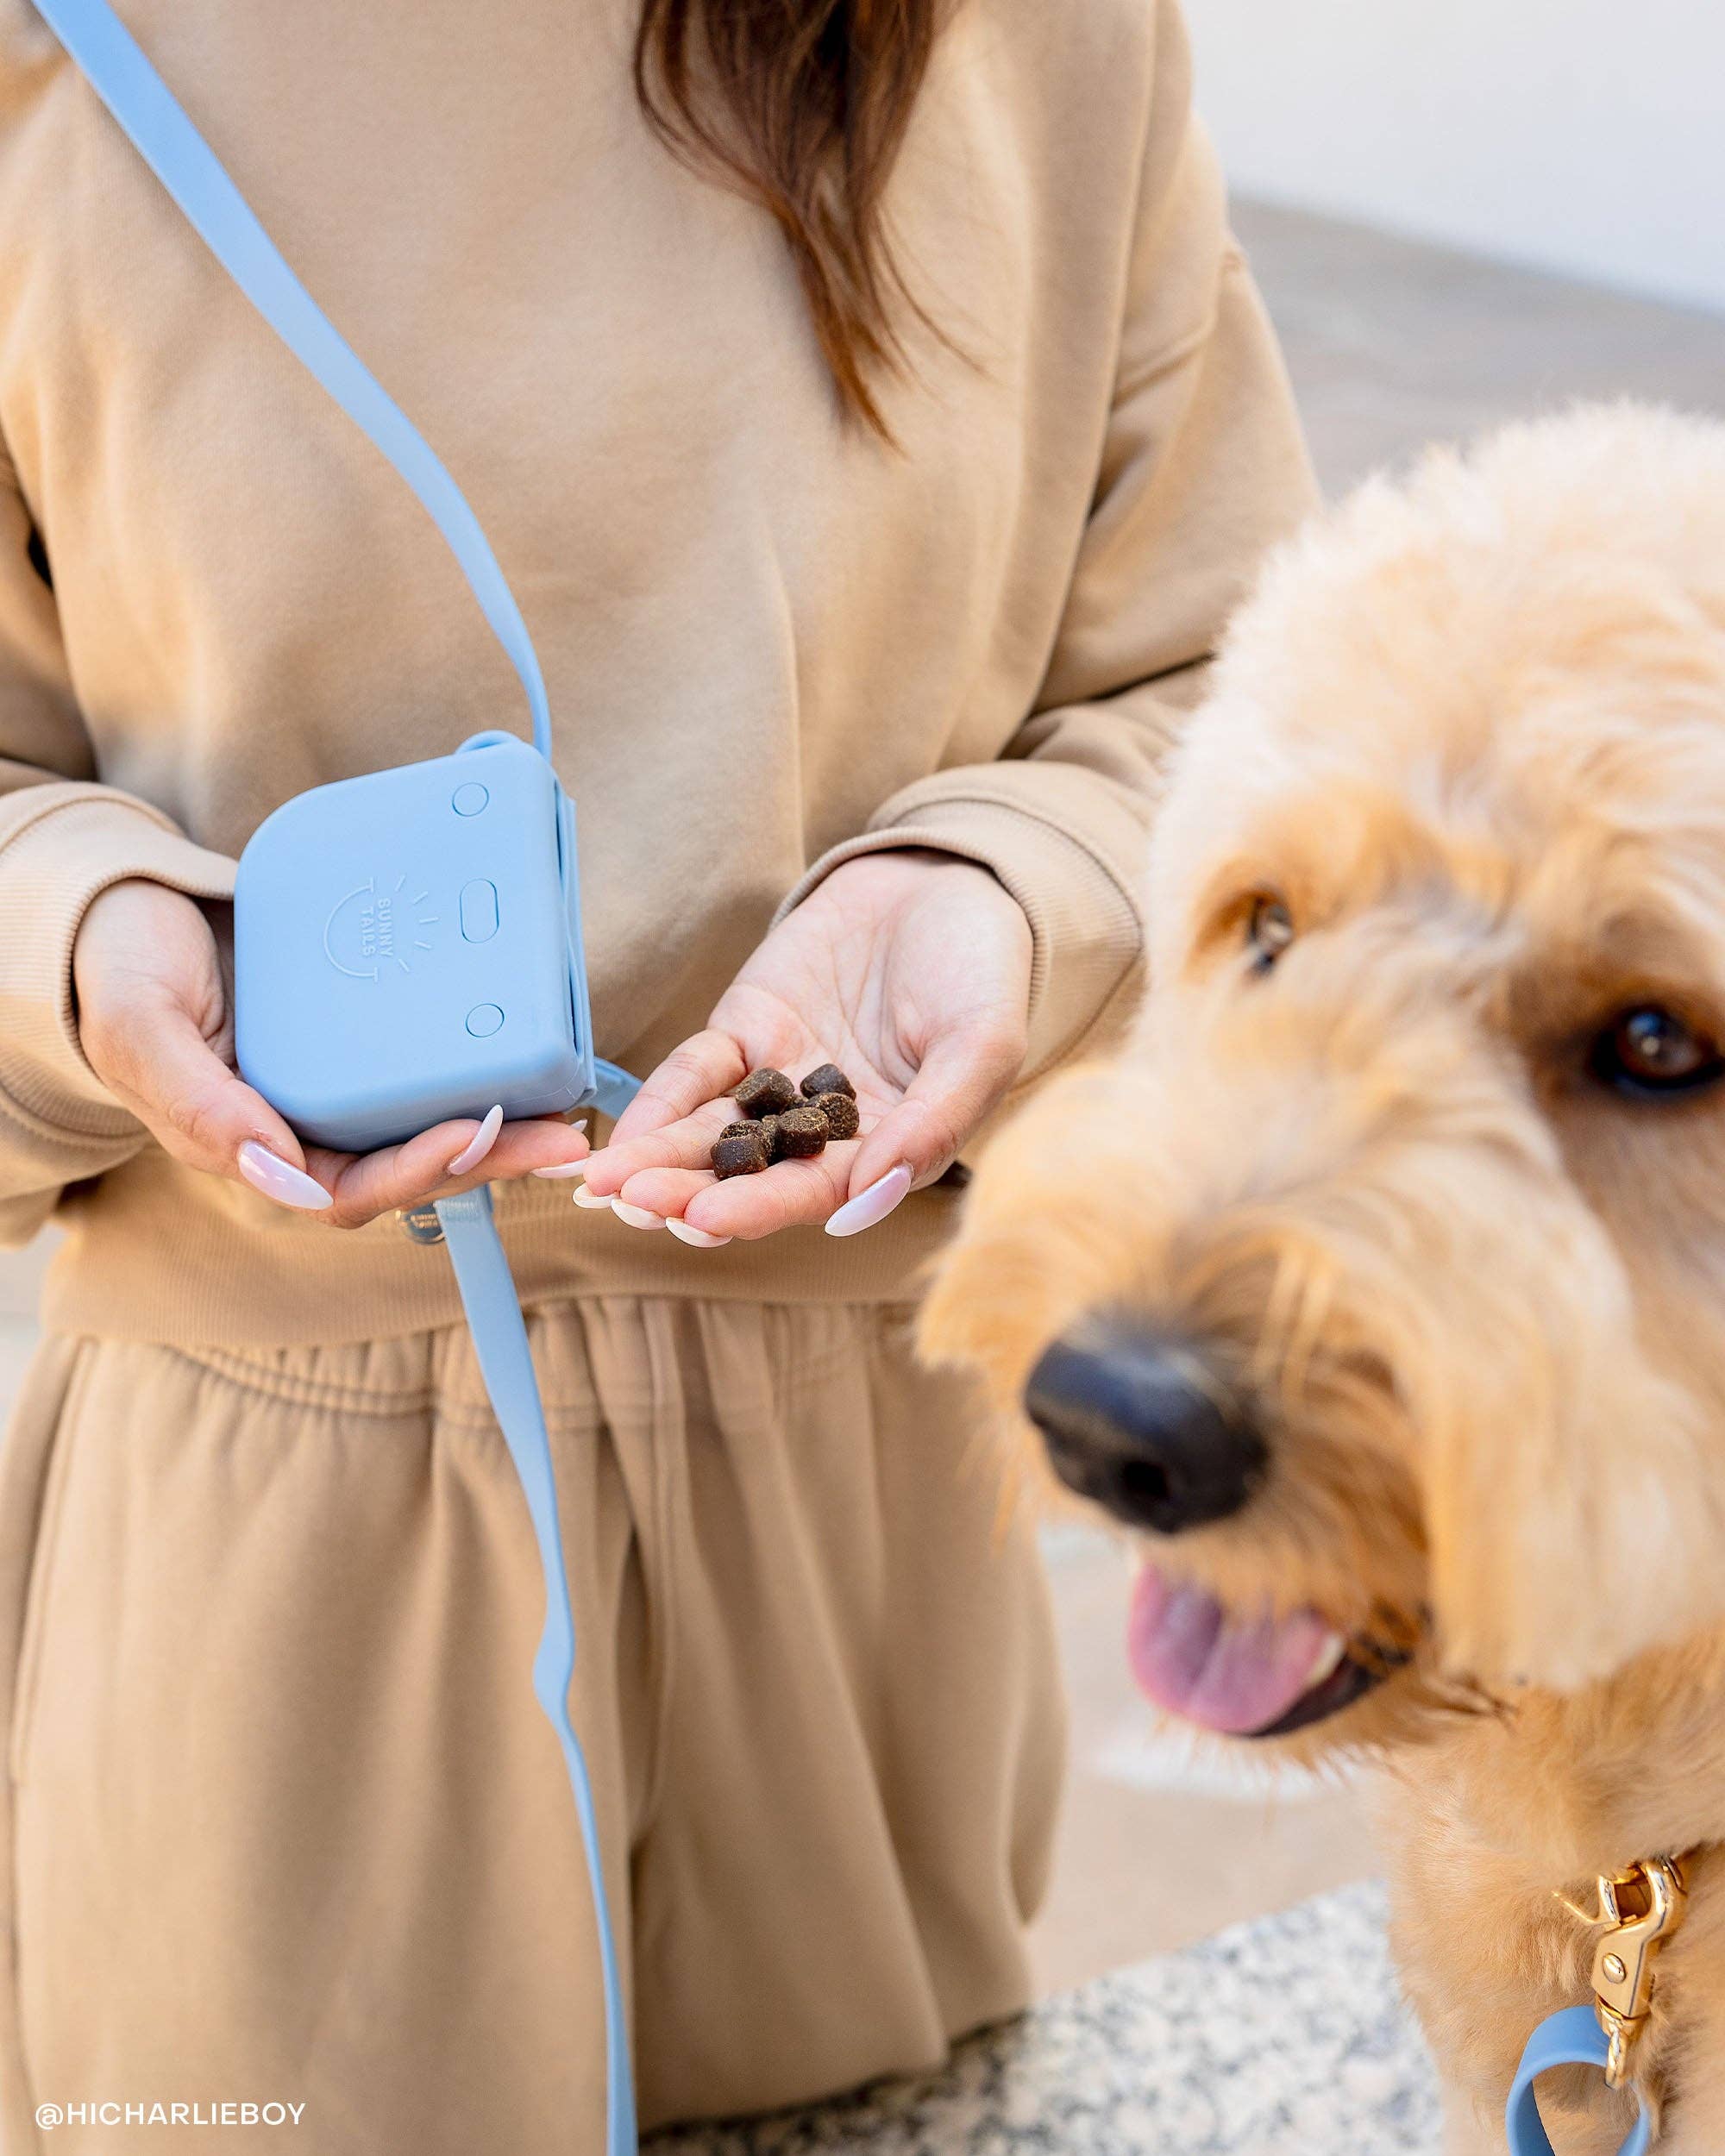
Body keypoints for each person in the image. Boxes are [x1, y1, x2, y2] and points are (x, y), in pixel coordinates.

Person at [0, 0, 1314, 2146]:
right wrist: (80, 950)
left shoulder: (1036, 38)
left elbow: (1245, 696)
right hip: (266, 1601)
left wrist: (1005, 888)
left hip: (868, 1545)